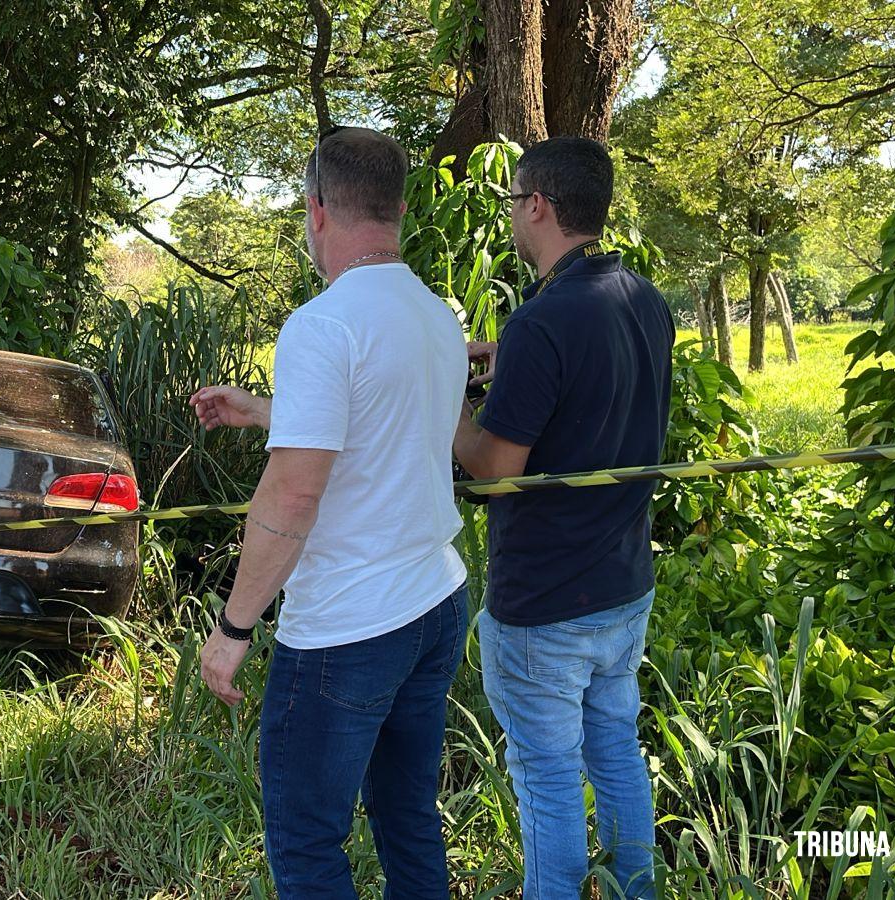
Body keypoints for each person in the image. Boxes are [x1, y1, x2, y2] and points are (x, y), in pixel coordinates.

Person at [189, 127, 469, 898]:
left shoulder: (322, 324)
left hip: (351, 626)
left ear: (316, 209)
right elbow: (380, 418)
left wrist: (233, 628)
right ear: (400, 210)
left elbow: (293, 496)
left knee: (308, 840)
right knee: (407, 813)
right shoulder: (434, 314)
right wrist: (260, 411)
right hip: (436, 601)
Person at [452, 137, 673, 899]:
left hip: (545, 606)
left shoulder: (542, 322)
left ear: (537, 205)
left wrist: (450, 397)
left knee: (547, 785)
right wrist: (504, 362)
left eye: (515, 201)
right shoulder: (641, 298)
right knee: (616, 752)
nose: (515, 215)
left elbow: (494, 468)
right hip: (623, 586)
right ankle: (635, 890)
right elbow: (589, 403)